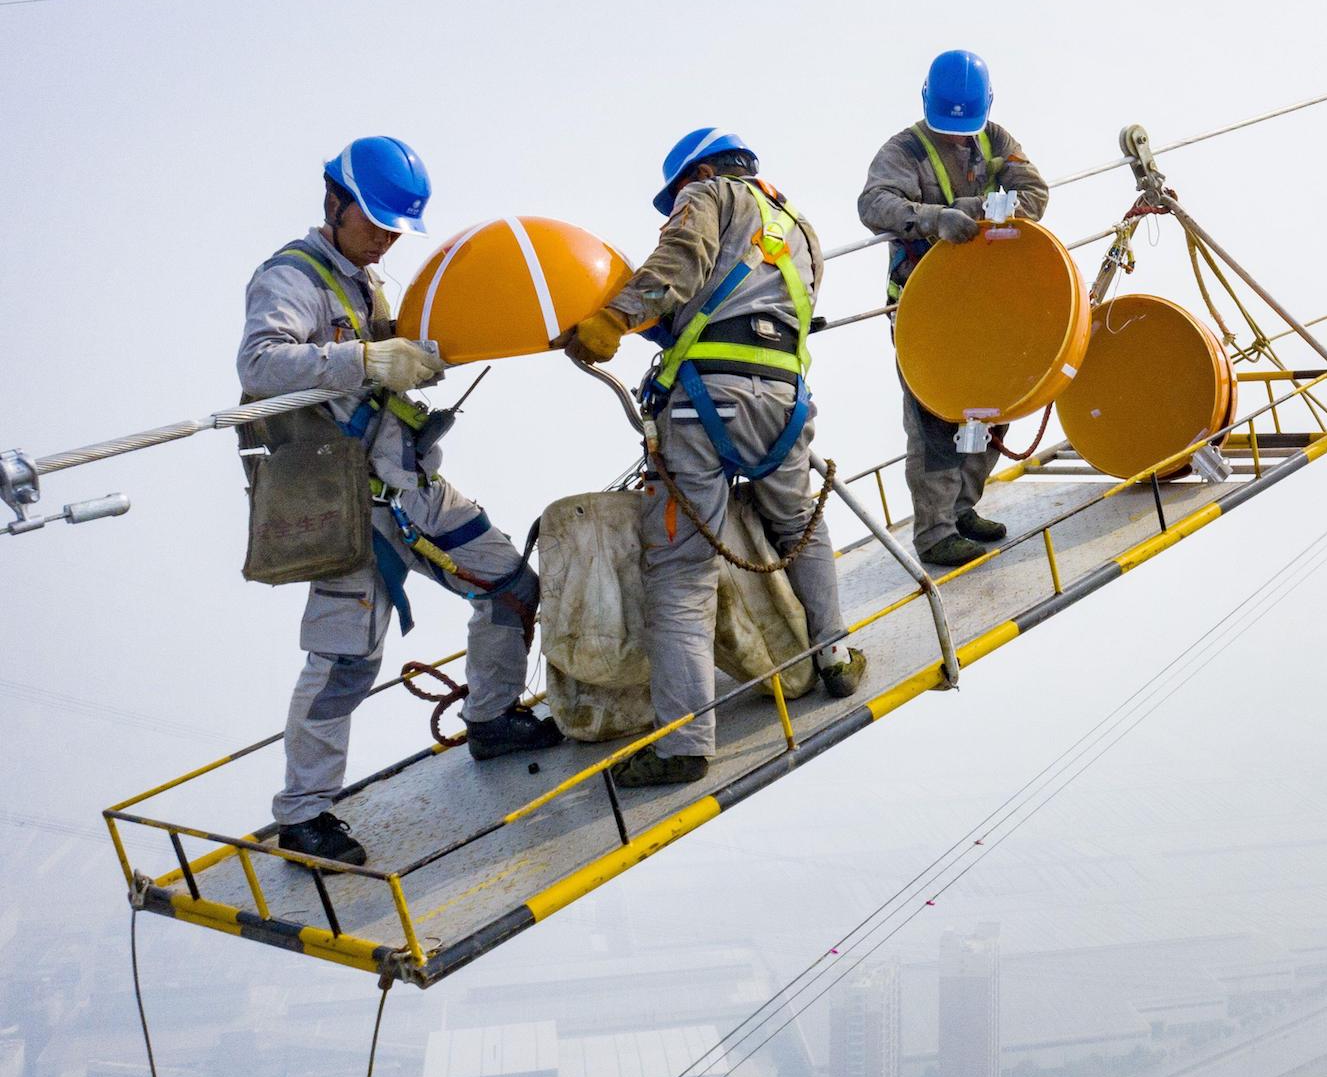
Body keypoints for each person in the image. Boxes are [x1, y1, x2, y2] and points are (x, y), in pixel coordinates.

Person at [238, 137, 558, 868]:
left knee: (512, 585)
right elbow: (258, 362)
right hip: (349, 502)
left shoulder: (366, 283)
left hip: (411, 485)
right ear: (334, 202)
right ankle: (304, 816)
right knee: (345, 662)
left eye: (393, 227)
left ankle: (491, 717)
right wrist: (369, 358)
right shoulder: (293, 276)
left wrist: (418, 359)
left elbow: (376, 373)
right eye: (375, 222)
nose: (385, 237)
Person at [564, 129, 859, 788]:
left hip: (706, 402)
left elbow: (680, 261)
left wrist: (614, 320)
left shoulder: (709, 195)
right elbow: (769, 309)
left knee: (681, 570)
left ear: (697, 173)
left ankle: (685, 742)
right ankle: (835, 652)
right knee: (798, 523)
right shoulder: (802, 230)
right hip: (784, 401)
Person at [857, 50, 1051, 567]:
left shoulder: (996, 141)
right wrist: (932, 217)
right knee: (935, 419)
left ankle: (963, 508)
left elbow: (1034, 192)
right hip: (925, 308)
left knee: (996, 406)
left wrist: (983, 212)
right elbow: (873, 205)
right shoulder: (905, 150)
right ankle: (935, 533)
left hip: (988, 306)